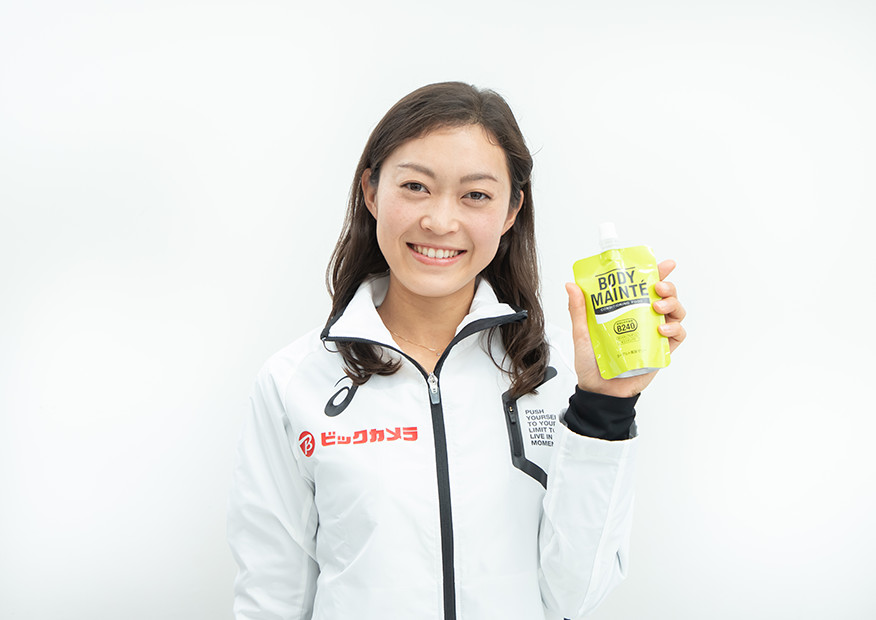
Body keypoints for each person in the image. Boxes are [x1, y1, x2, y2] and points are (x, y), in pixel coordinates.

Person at [227, 81, 687, 620]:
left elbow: (575, 595)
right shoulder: (294, 381)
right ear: (371, 191)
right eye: (415, 186)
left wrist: (605, 403)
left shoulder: (552, 377)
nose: (440, 221)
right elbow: (270, 598)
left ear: (511, 210)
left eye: (476, 195)